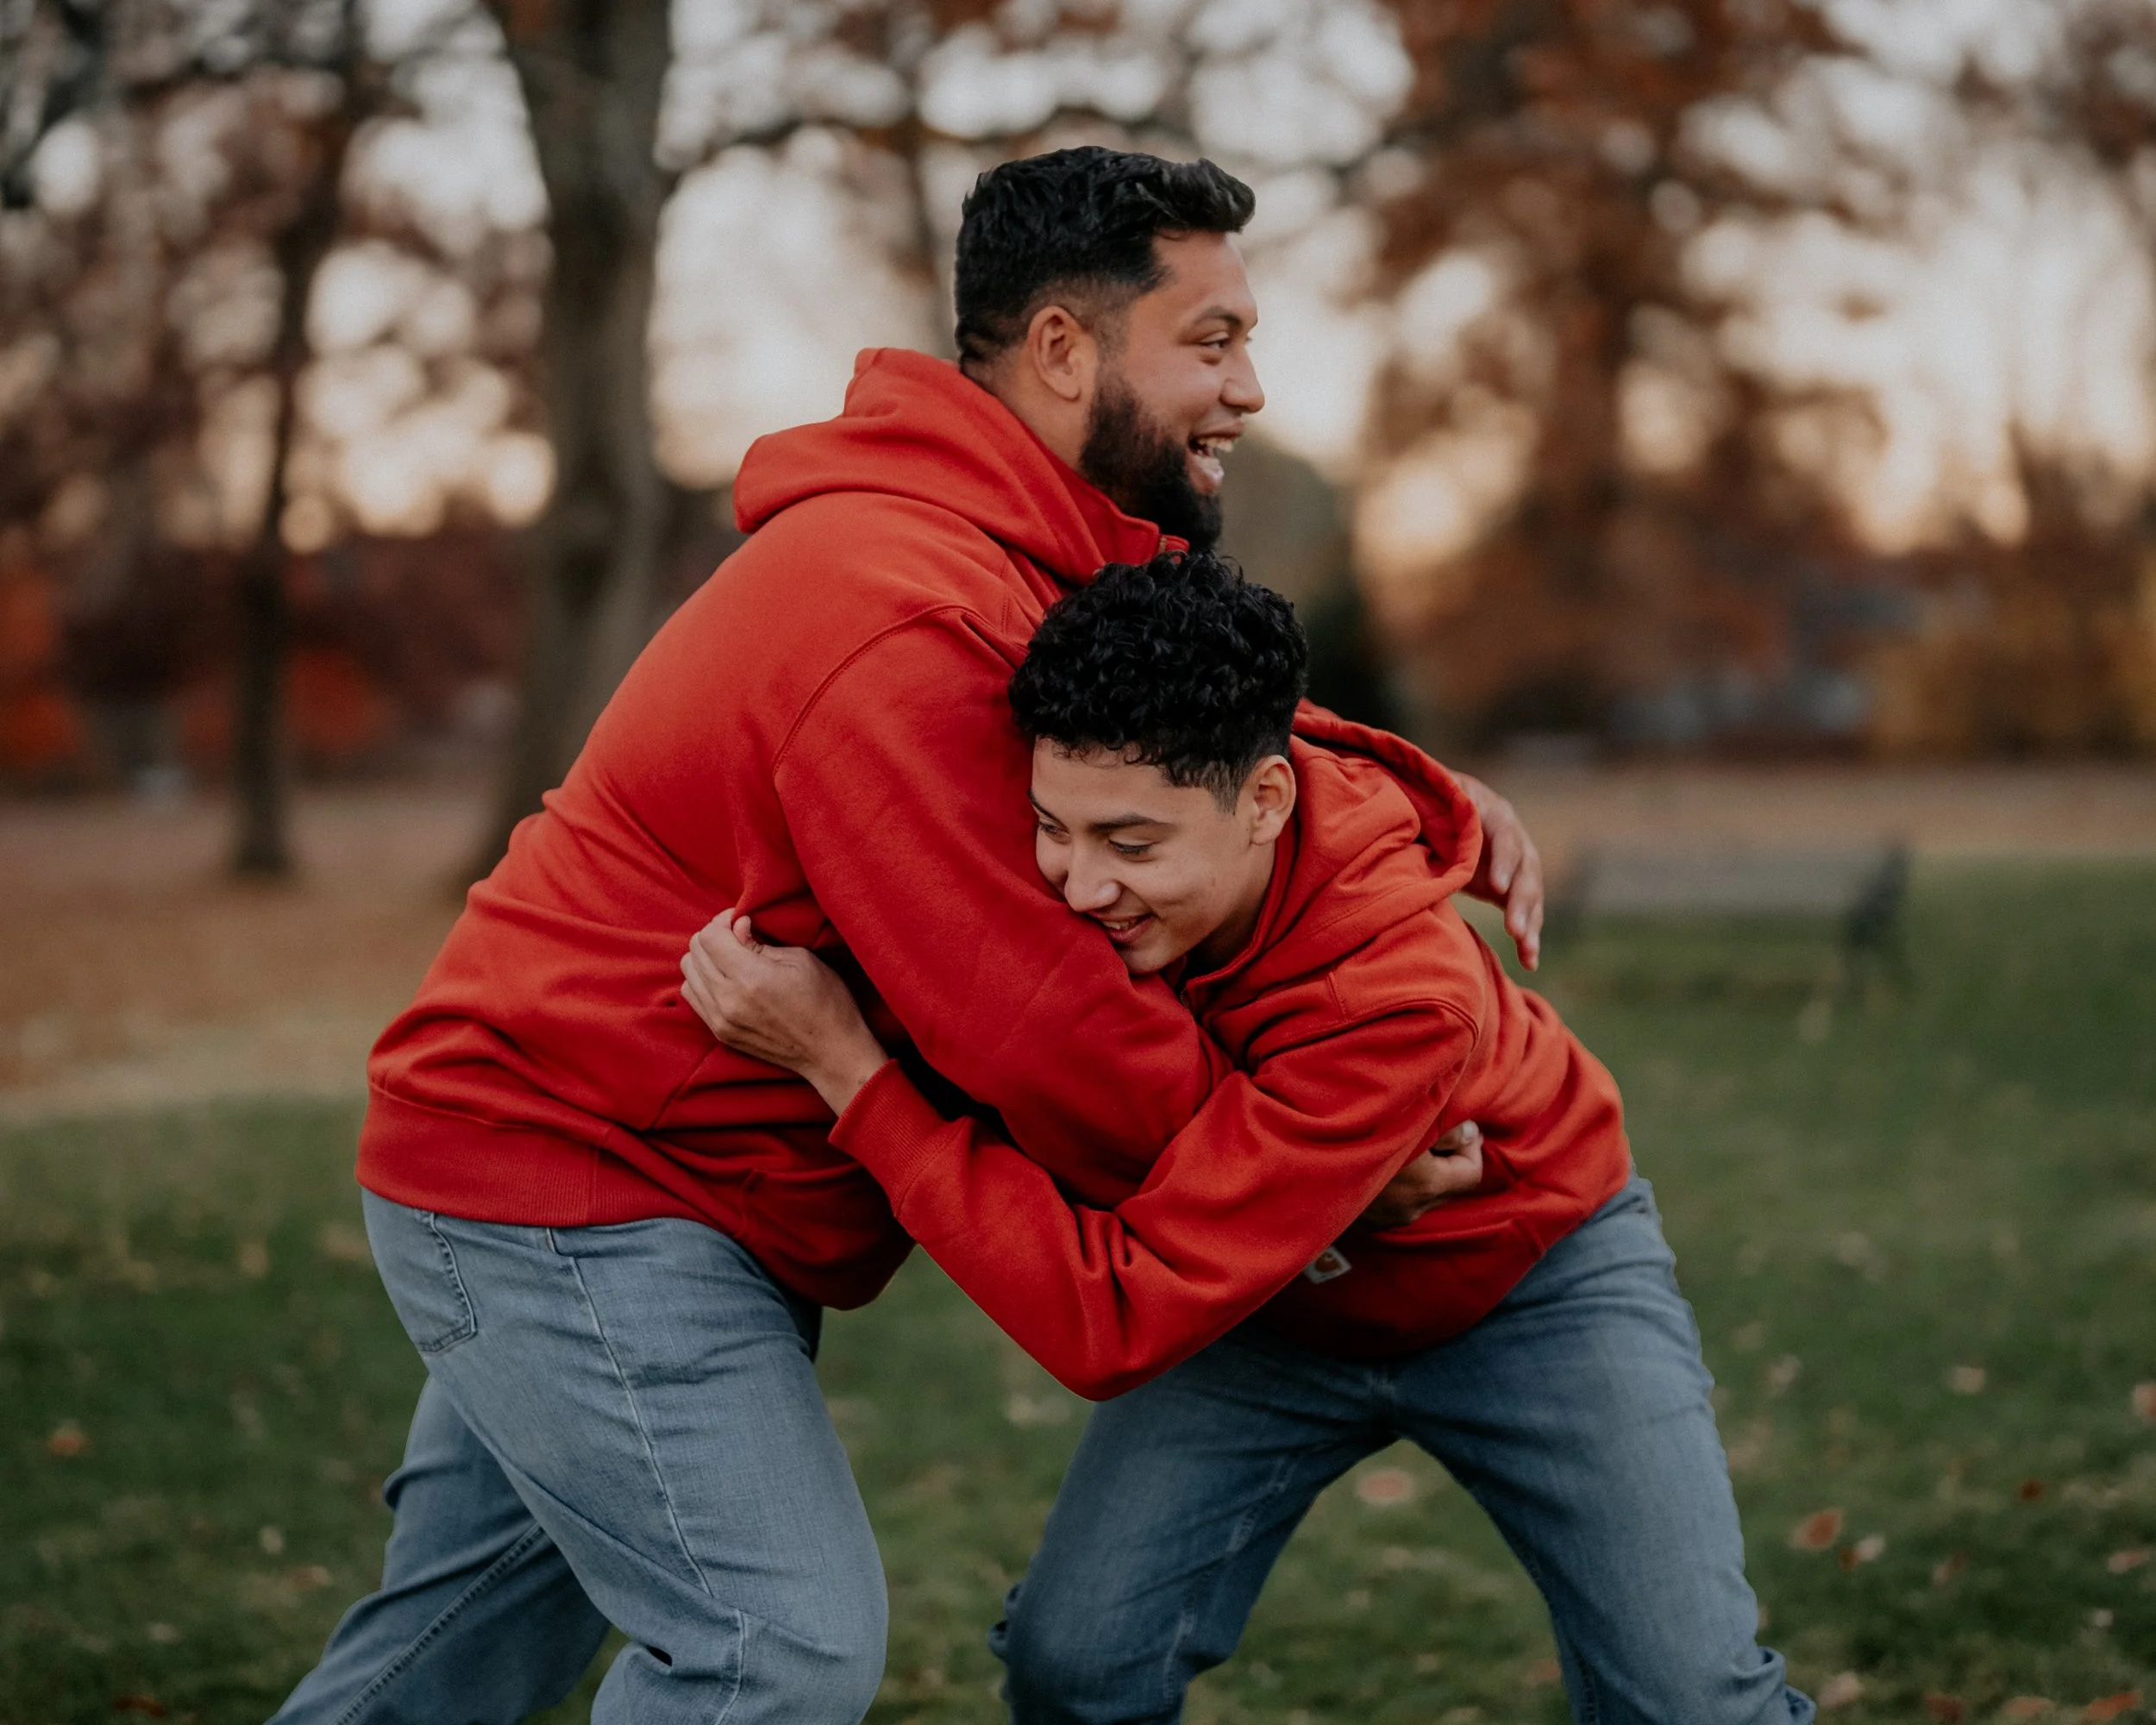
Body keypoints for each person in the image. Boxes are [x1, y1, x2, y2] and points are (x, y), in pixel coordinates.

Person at [270, 147, 1545, 1725]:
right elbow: (1048, 1031)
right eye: (1211, 342)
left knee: (441, 1668)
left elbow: (1189, 710)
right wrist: (1302, 1155)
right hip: (577, 1189)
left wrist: (1418, 789)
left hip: (624, 1182)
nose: (1250, 390)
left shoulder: (991, 555)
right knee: (773, 1649)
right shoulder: (903, 613)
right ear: (1066, 351)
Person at [680, 551, 1814, 1725]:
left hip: (1528, 1284)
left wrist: (846, 1072)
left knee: (1692, 1700)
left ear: (1267, 802)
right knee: (1076, 1668)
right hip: (1263, 1310)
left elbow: (1111, 1312)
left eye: (1132, 846)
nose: (1076, 887)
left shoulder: (1402, 999)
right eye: (1050, 829)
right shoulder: (1163, 796)